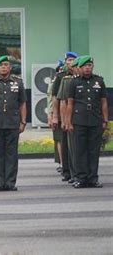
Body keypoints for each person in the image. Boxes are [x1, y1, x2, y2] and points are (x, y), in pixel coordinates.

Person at [0, 55, 27, 192]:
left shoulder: (18, 83)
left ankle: (11, 182)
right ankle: (0, 183)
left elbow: (22, 104)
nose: (4, 67)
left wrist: (23, 121)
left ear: (10, 67)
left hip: (13, 123)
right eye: (1, 65)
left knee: (12, 154)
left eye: (6, 65)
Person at [66, 55, 108, 188]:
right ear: (80, 67)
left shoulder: (99, 81)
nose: (87, 68)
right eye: (85, 66)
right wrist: (68, 121)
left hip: (95, 120)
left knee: (93, 150)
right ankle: (81, 178)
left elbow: (104, 102)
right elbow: (70, 103)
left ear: (92, 67)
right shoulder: (74, 82)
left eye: (90, 65)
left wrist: (105, 119)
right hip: (79, 121)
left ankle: (93, 178)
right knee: (80, 150)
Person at [51, 52, 78, 182]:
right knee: (66, 144)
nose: (71, 62)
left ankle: (76, 171)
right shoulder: (61, 77)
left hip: (77, 115)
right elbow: (55, 97)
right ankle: (67, 171)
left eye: (73, 60)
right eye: (69, 60)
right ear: (65, 62)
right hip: (63, 115)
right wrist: (55, 116)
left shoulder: (80, 76)